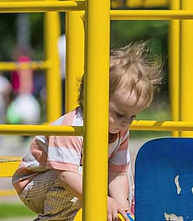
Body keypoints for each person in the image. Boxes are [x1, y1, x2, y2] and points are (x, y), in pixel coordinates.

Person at [12, 42, 163, 221]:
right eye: (120, 114)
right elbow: (66, 176)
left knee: (122, 177)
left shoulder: (120, 130)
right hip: (34, 184)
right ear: (92, 98)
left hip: (73, 178)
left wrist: (120, 207)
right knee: (86, 178)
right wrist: (101, 200)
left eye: (133, 116)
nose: (126, 122)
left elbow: (118, 172)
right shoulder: (72, 127)